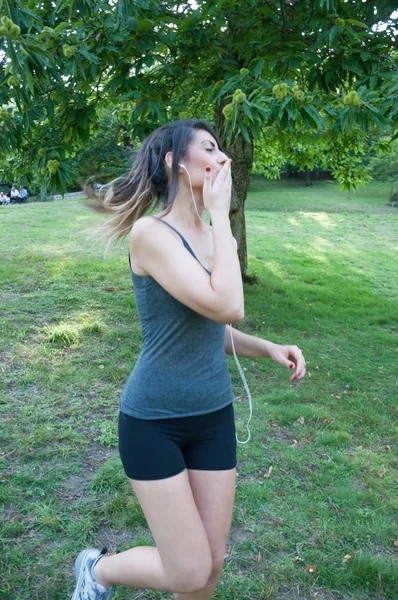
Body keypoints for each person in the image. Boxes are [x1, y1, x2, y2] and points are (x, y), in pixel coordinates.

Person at [71, 119, 306, 600]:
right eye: (210, 148)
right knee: (187, 570)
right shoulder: (150, 234)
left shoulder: (209, 234)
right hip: (153, 421)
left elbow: (211, 324)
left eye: (223, 150)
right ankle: (100, 569)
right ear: (175, 163)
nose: (223, 159)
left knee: (212, 565)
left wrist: (267, 348)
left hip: (213, 416)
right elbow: (228, 304)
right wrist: (223, 219)